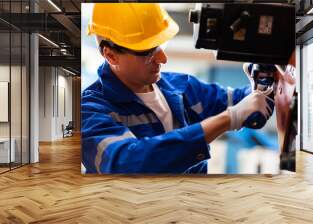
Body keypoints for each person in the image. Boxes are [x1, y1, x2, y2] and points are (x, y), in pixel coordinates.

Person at [81, 3, 274, 174]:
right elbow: (127, 164)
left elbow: (247, 105)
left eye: (160, 46)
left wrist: (263, 78)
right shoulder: (90, 110)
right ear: (111, 55)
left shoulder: (181, 87)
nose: (162, 59)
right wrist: (228, 119)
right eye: (147, 51)